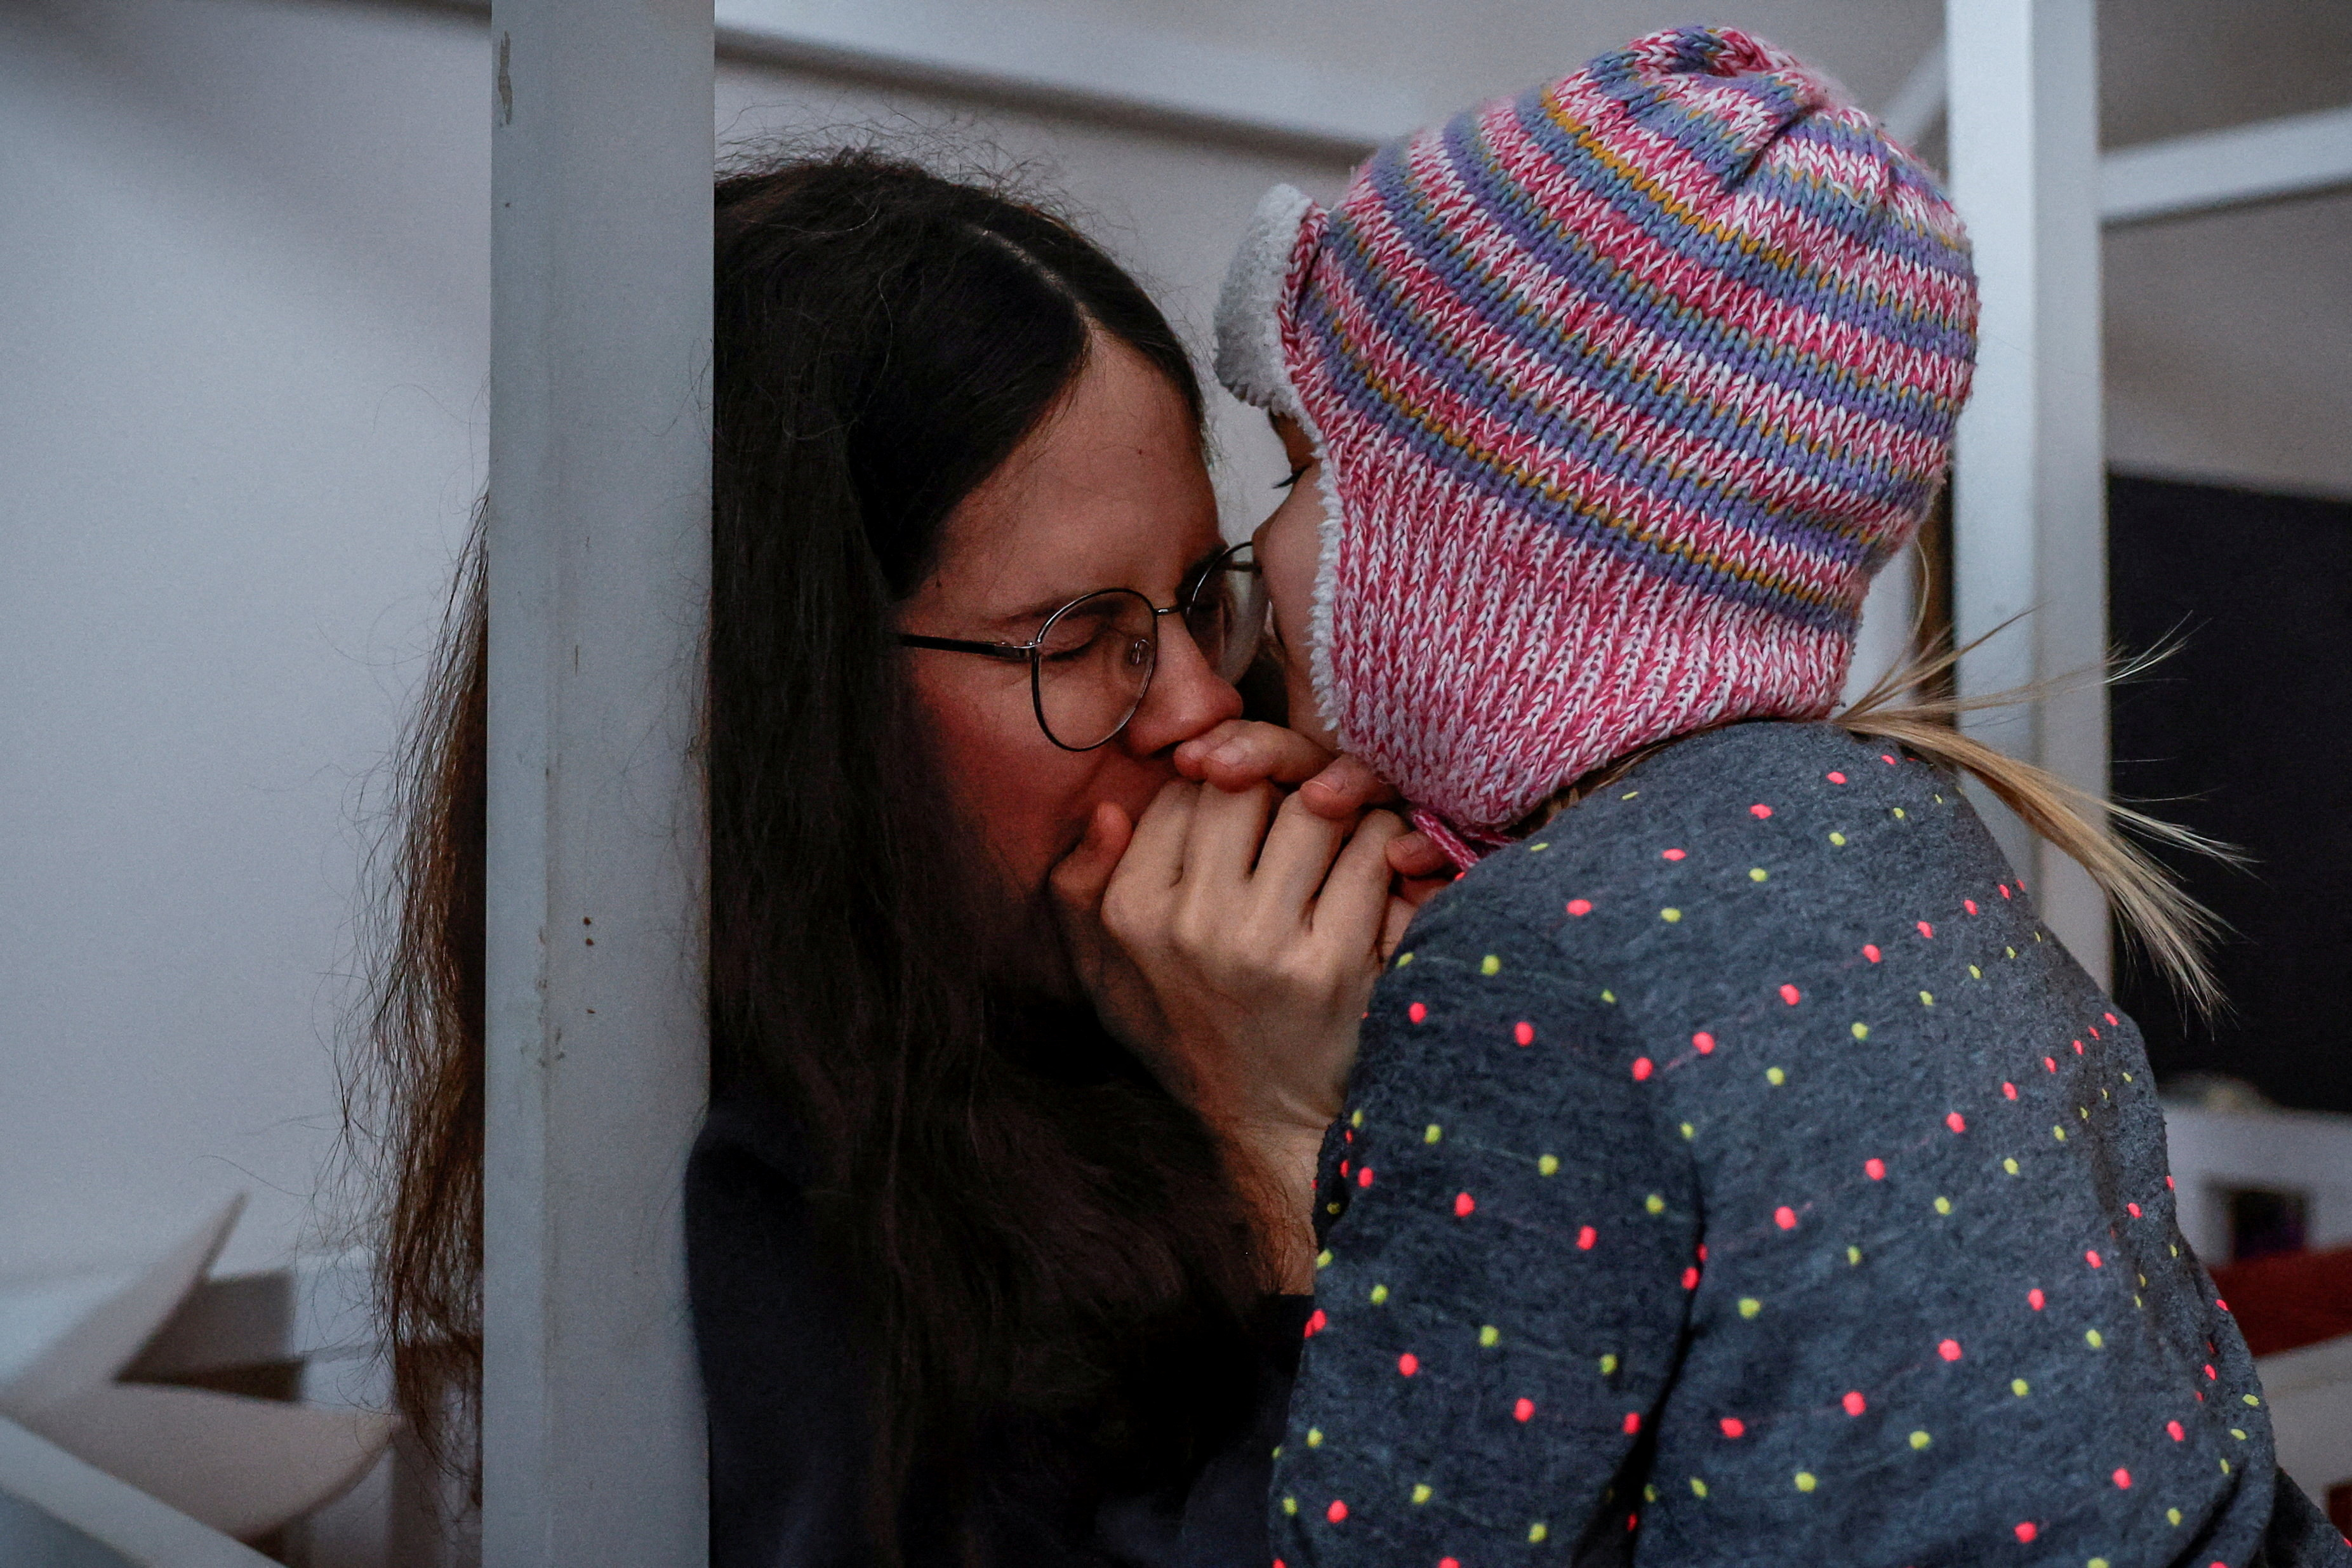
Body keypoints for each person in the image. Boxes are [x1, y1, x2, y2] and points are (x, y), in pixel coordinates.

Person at [1195, 27, 2352, 1567]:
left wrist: (1267, 1137)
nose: (1258, 557)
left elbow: (1381, 1542)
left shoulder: (1528, 974)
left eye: (1296, 476)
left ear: (1465, 551)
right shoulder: (1899, 830)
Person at [359, 150, 1411, 1567]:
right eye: (1080, 637)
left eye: (1188, 599)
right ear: (800, 701)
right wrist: (1282, 1148)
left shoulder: (1136, 1008)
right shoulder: (758, 1209)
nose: (1198, 712)